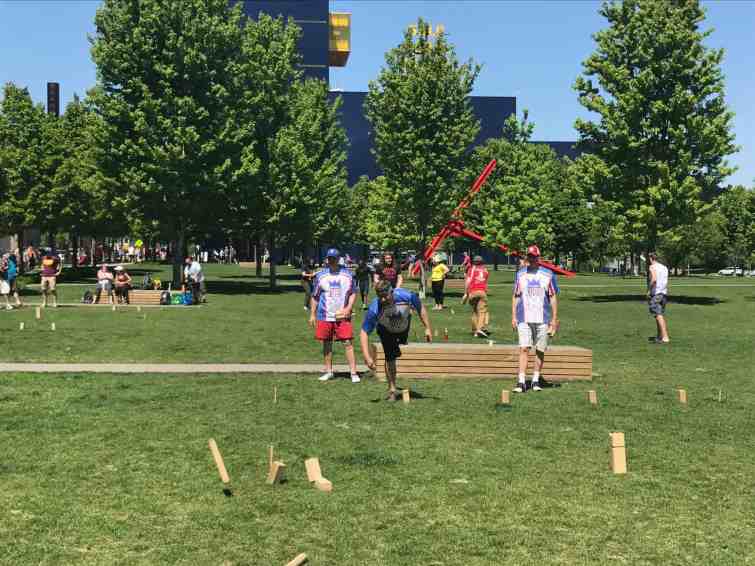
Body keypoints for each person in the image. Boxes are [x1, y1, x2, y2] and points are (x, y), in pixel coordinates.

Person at [361, 280, 433, 401]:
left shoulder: (407, 295)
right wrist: (367, 356)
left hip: (403, 326)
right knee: (390, 358)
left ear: (391, 291)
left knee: (405, 318)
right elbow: (364, 332)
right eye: (380, 297)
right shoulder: (375, 307)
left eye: (385, 296)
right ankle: (392, 390)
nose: (383, 300)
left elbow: (421, 309)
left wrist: (427, 328)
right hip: (386, 330)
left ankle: (401, 336)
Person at [511, 245, 559, 393]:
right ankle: (521, 382)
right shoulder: (520, 274)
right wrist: (513, 316)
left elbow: (552, 297)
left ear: (538, 258)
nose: (531, 259)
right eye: (529, 256)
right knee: (524, 348)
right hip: (523, 317)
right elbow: (516, 296)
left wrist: (554, 319)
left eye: (534, 256)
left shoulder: (548, 274)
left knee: (540, 349)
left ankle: (535, 380)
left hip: (543, 318)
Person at [309, 248, 360, 383]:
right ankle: (328, 371)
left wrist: (348, 308)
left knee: (347, 342)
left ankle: (353, 373)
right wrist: (312, 314)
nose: (331, 260)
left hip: (342, 315)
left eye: (334, 258)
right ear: (327, 259)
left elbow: (353, 292)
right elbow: (315, 296)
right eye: (329, 258)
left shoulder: (347, 275)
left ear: (339, 259)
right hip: (324, 315)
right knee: (326, 343)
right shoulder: (320, 276)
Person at [647, 252, 670, 343]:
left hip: (656, 294)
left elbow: (654, 279)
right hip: (664, 294)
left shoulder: (652, 267)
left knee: (658, 315)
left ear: (651, 258)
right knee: (659, 315)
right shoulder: (664, 267)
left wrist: (649, 290)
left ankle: (665, 336)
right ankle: (659, 336)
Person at [465, 255, 490, 337]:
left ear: (474, 262)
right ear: (482, 262)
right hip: (482, 292)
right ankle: (479, 329)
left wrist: (466, 293)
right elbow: (485, 282)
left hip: (473, 292)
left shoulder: (471, 269)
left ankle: (475, 331)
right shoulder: (486, 270)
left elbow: (468, 281)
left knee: (475, 311)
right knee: (482, 312)